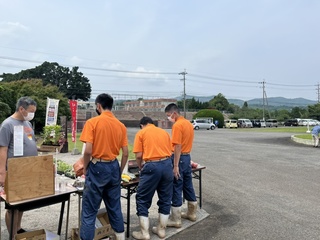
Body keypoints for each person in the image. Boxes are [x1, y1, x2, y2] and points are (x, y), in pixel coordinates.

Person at [79, 93, 128, 240]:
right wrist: (119, 170)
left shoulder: (93, 122)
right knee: (114, 207)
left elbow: (88, 151)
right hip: (113, 166)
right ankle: (120, 237)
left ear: (98, 106)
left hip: (97, 166)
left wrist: (86, 167)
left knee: (89, 211)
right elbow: (125, 153)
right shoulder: (121, 125)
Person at [0, 96, 38, 239]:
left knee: (22, 202)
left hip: (27, 170)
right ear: (21, 109)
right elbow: (2, 150)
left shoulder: (27, 124)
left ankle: (18, 228)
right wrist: (2, 173)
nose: (32, 114)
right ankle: (13, 234)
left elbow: (30, 142)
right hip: (13, 171)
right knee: (12, 205)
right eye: (30, 111)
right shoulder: (7, 125)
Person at [132, 117, 173, 239]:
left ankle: (144, 233)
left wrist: (140, 167)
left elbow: (139, 155)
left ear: (142, 125)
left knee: (142, 199)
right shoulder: (164, 132)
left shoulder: (141, 133)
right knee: (166, 198)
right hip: (167, 165)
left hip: (151, 166)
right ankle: (161, 230)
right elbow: (170, 151)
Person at [164, 103, 198, 228]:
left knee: (177, 185)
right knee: (188, 185)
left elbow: (177, 146)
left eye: (168, 115)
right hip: (187, 156)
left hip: (179, 158)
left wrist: (176, 165)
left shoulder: (177, 125)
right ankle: (192, 213)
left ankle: (176, 219)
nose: (169, 118)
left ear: (174, 113)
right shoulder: (188, 124)